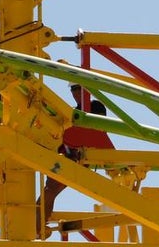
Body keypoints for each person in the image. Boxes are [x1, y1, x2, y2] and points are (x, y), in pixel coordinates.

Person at [39, 82, 112, 227]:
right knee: (50, 189)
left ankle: (37, 223)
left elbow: (94, 132)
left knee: (50, 190)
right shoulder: (72, 112)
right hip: (69, 155)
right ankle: (38, 222)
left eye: (77, 88)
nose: (75, 92)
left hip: (80, 157)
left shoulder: (96, 107)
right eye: (73, 89)